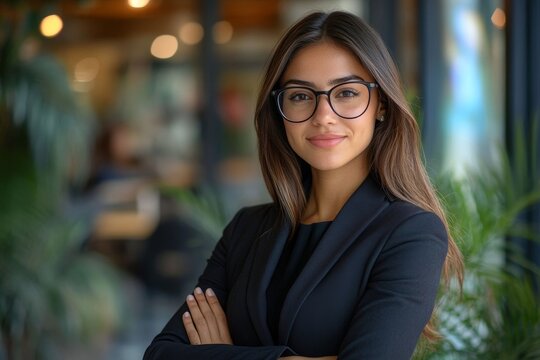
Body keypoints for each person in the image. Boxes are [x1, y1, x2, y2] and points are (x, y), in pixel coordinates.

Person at [143, 10, 463, 360]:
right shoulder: (245, 231)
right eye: (300, 96)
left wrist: (228, 354)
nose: (323, 115)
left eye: (346, 93)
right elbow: (161, 354)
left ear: (381, 104)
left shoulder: (409, 232)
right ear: (280, 113)